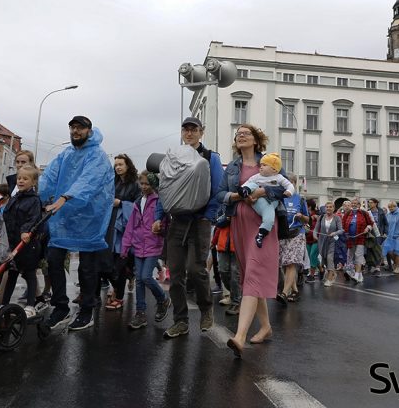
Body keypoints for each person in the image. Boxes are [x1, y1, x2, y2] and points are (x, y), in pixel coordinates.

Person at [39, 116, 114, 331]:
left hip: (90, 218)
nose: (75, 131)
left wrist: (65, 197)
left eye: (80, 128)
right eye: (72, 127)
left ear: (89, 131)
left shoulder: (97, 156)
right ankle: (60, 307)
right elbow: (50, 175)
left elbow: (88, 181)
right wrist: (40, 194)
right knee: (54, 259)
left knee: (87, 267)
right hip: (64, 216)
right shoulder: (66, 154)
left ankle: (87, 310)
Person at [218, 124, 287, 357]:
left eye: (246, 133)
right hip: (240, 224)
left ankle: (239, 336)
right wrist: (238, 196)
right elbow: (220, 195)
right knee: (251, 276)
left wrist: (263, 193)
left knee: (252, 274)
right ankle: (266, 327)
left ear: (256, 140)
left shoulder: (268, 163)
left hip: (264, 226)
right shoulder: (232, 167)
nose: (241, 135)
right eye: (238, 134)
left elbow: (286, 190)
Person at [163, 116, 223, 339]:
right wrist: (161, 216)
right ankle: (180, 321)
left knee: (196, 270)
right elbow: (165, 187)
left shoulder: (210, 158)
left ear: (201, 132)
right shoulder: (174, 156)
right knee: (176, 274)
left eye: (193, 130)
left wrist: (208, 217)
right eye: (185, 129)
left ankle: (207, 309)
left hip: (200, 222)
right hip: (177, 221)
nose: (189, 133)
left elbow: (217, 189)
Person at [120, 171, 171, 330]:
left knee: (146, 277)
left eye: (147, 184)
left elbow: (165, 224)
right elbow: (130, 227)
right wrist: (125, 246)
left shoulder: (159, 201)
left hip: (153, 245)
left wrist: (160, 227)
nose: (143, 186)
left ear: (154, 185)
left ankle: (162, 298)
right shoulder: (137, 202)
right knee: (140, 280)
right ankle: (140, 313)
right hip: (138, 246)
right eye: (141, 183)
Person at [0, 165, 46, 314]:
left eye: (25, 178)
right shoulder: (14, 198)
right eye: (19, 178)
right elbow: (6, 216)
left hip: (27, 244)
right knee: (12, 273)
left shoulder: (34, 201)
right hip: (12, 243)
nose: (21, 181)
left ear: (33, 182)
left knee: (30, 274)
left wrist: (26, 231)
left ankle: (31, 305)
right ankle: (3, 303)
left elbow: (33, 218)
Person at [102, 153, 140, 311]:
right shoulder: (113, 182)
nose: (117, 167)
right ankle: (121, 284)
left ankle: (118, 296)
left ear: (128, 166)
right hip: (113, 227)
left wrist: (121, 203)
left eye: (120, 164)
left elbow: (139, 206)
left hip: (127, 229)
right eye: (116, 164)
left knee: (120, 262)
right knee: (110, 262)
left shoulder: (135, 184)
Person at [237, 152, 295, 247]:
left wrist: (289, 191)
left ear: (274, 169)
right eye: (261, 165)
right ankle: (245, 192)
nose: (261, 167)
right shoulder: (257, 176)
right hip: (255, 201)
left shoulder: (279, 177)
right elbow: (248, 182)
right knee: (253, 184)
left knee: (269, 219)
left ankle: (261, 234)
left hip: (269, 204)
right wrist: (244, 189)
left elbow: (289, 185)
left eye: (264, 165)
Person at [277, 174, 309, 303]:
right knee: (285, 264)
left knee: (291, 263)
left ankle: (284, 293)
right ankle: (294, 290)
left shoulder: (300, 199)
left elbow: (307, 219)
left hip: (297, 234)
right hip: (283, 234)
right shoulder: (279, 199)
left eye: (290, 182)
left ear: (294, 184)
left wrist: (301, 216)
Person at [342, 198, 376, 281]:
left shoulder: (364, 213)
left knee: (358, 255)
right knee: (350, 256)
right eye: (352, 203)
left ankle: (356, 275)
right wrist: (343, 232)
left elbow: (371, 223)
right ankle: (359, 275)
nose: (354, 205)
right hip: (350, 238)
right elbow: (343, 224)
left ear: (359, 205)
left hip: (360, 238)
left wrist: (367, 228)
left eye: (356, 204)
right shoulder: (348, 213)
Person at [315, 201, 344, 287]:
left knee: (329, 258)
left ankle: (329, 278)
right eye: (327, 207)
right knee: (323, 259)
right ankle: (332, 273)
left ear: (333, 208)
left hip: (332, 241)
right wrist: (315, 235)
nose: (328, 208)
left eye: (330, 207)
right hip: (322, 241)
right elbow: (316, 228)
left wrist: (334, 233)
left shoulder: (337, 218)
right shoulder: (321, 217)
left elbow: (341, 230)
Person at [365, 198, 388, 277]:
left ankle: (377, 267)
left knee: (377, 250)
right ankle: (370, 265)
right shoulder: (367, 212)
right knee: (369, 249)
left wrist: (385, 232)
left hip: (378, 233)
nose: (369, 204)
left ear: (375, 203)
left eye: (371, 203)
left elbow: (385, 223)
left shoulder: (381, 212)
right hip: (370, 234)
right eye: (369, 203)